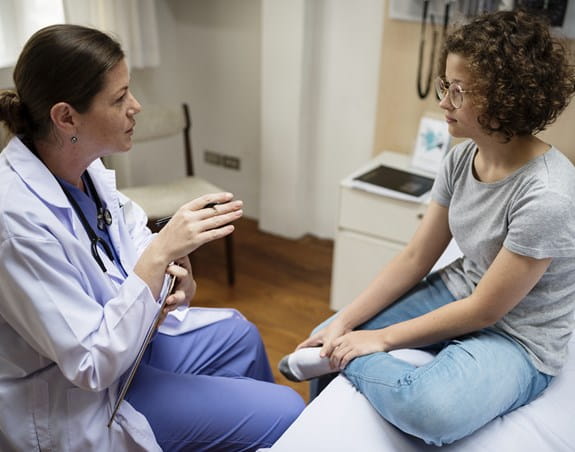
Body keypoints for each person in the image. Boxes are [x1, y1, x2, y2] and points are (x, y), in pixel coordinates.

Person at [0, 24, 304, 451]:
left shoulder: (83, 170)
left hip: (128, 351)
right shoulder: (14, 221)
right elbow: (89, 363)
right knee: (287, 410)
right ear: (66, 116)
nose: (136, 106)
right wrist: (162, 253)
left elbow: (134, 238)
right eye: (120, 98)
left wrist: (175, 273)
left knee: (240, 334)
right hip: (80, 398)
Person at [279, 9, 575, 447]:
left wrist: (377, 339)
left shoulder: (548, 195)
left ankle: (342, 362)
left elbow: (486, 311)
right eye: (444, 86)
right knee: (330, 334)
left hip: (518, 337)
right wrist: (346, 322)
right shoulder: (460, 158)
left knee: (431, 410)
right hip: (460, 289)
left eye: (457, 92)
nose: (442, 103)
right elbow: (417, 256)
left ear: (503, 98)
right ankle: (334, 358)